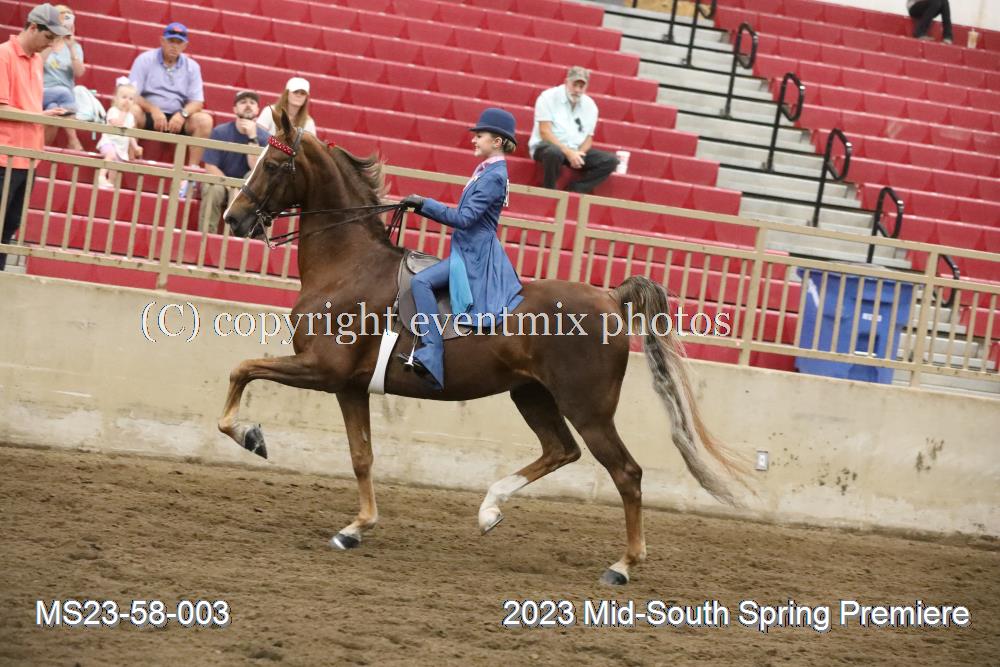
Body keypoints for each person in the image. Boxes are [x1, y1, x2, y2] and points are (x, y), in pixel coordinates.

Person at [398, 108, 525, 390]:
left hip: (474, 255)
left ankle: (432, 353)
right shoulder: (488, 171)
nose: (474, 140)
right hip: (469, 249)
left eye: (480, 135)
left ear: (497, 141)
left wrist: (424, 204)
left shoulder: (493, 176)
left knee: (421, 282)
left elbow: (464, 219)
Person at [0, 3, 71, 272]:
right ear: (32, 27)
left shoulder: (36, 61)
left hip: (27, 158)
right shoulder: (4, 55)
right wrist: (38, 116)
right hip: (5, 157)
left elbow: (25, 106)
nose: (50, 44)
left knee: (9, 225)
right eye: (47, 37)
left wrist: (43, 115)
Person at [127, 22, 212, 180]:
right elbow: (132, 94)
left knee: (204, 120)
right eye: (171, 41)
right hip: (148, 114)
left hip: (177, 117)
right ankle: (128, 162)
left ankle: (191, 173)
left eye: (179, 42)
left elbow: (197, 102)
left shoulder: (192, 67)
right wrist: (153, 110)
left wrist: (182, 114)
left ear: (185, 45)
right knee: (132, 111)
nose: (174, 46)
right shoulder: (145, 59)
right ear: (162, 41)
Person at [528, 65, 618, 194]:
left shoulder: (590, 106)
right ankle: (549, 192)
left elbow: (588, 138)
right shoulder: (548, 97)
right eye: (574, 85)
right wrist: (568, 152)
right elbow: (545, 132)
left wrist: (578, 153)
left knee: (610, 161)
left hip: (575, 150)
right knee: (553, 153)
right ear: (566, 82)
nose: (577, 90)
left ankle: (575, 190)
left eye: (581, 86)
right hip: (547, 147)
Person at [199, 90, 269, 233]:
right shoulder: (220, 132)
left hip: (247, 186)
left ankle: (243, 239)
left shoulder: (265, 137)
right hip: (222, 182)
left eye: (252, 103)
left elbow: (256, 170)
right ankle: (205, 237)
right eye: (243, 102)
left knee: (253, 183)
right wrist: (232, 187)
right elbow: (210, 166)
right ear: (235, 109)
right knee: (213, 188)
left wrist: (252, 137)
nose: (248, 105)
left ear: (257, 109)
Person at [41, 4, 83, 150]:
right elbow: (37, 63)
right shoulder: (44, 42)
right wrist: (51, 41)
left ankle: (41, 150)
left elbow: (79, 72)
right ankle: (73, 140)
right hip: (43, 91)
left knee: (54, 109)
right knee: (63, 92)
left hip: (63, 100)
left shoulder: (74, 47)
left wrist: (71, 48)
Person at [95, 77, 142, 189]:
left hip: (121, 147)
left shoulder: (130, 117)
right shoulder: (113, 111)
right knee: (111, 155)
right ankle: (101, 176)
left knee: (115, 170)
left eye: (131, 99)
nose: (127, 101)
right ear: (116, 99)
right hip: (108, 143)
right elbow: (117, 123)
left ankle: (110, 183)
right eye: (124, 97)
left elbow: (129, 134)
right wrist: (124, 113)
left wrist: (135, 147)